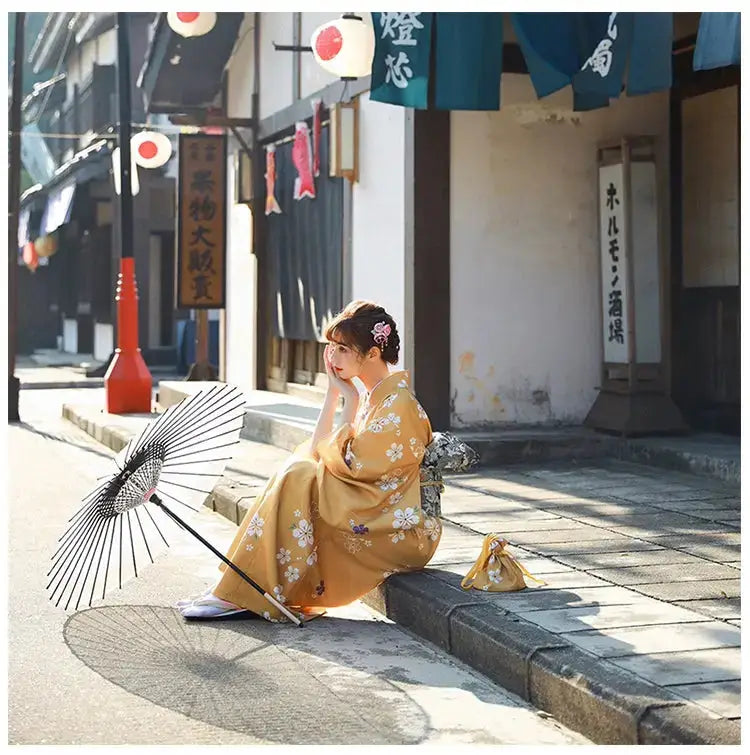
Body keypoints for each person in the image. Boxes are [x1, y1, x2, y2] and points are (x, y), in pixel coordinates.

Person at [179, 300, 443, 621]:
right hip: (374, 510)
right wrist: (338, 395)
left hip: (398, 530)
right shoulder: (372, 399)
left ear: (373, 354)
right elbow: (323, 451)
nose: (332, 357)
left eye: (343, 348)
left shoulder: (398, 405)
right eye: (331, 347)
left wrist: (349, 400)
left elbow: (351, 470)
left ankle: (247, 590)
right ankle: (242, 587)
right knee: (300, 467)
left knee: (300, 473)